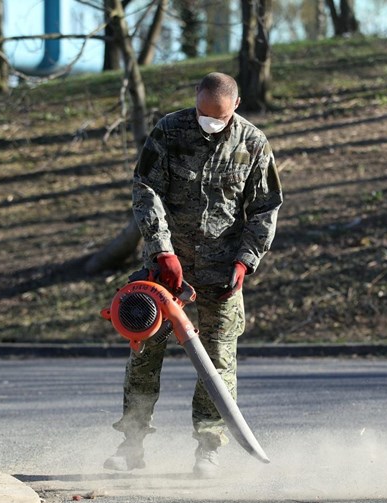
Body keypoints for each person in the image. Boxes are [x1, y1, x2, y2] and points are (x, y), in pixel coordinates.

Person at [104, 72, 283, 479]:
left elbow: (265, 208)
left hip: (223, 273)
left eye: (217, 117)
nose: (209, 123)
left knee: (218, 363)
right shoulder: (170, 130)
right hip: (164, 271)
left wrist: (245, 262)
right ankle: (131, 442)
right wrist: (162, 249)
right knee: (144, 354)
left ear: (235, 106)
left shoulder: (253, 144)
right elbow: (145, 189)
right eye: (203, 114)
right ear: (195, 102)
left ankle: (208, 450)